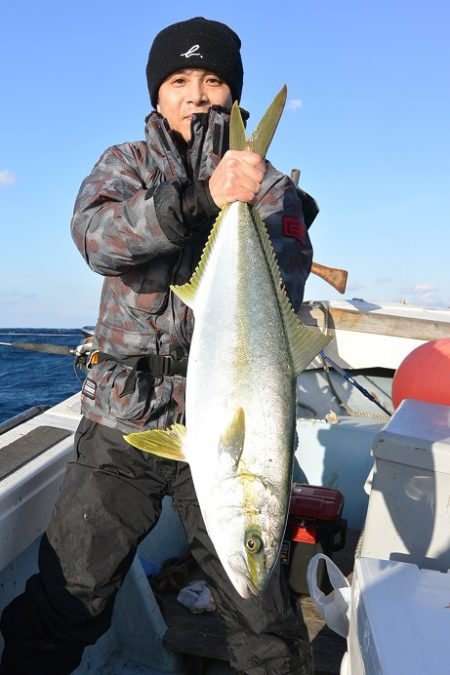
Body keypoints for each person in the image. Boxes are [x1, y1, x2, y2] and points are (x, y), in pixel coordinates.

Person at [0, 17, 318, 675]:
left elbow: (277, 290)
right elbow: (96, 239)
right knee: (71, 595)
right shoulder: (126, 165)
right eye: (179, 79)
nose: (197, 94)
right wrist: (201, 199)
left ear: (232, 93)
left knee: (264, 619)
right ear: (157, 93)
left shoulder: (272, 187)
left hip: (229, 428)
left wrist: (254, 205)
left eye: (212, 80)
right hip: (124, 422)